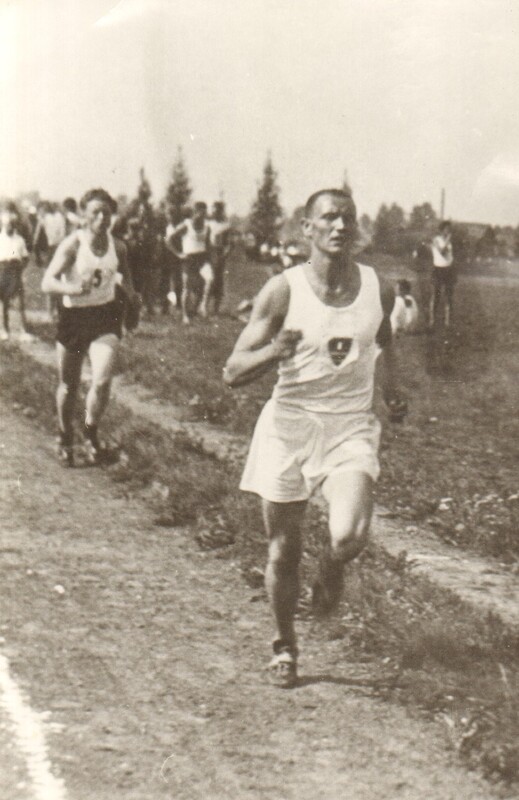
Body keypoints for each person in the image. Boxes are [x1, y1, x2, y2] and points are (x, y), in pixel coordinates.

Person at [224, 188, 407, 688]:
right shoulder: (282, 291)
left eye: (348, 218)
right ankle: (285, 646)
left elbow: (382, 337)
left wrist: (392, 389)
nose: (340, 226)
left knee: (347, 535)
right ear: (306, 229)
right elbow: (233, 370)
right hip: (289, 428)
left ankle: (332, 566)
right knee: (283, 550)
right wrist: (273, 352)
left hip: (349, 427)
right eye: (328, 218)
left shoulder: (377, 287)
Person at [41, 188, 140, 467]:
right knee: (69, 386)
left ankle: (91, 432)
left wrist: (133, 301)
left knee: (102, 379)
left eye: (106, 212)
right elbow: (47, 282)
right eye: (95, 212)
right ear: (84, 216)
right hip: (73, 318)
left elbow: (128, 280)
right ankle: (64, 436)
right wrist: (72, 287)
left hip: (105, 317)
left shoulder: (118, 246)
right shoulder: (73, 244)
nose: (101, 218)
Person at [166, 201, 212, 324]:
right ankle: (186, 316)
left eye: (204, 213)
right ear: (194, 212)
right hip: (189, 258)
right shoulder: (187, 225)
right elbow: (168, 240)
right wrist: (179, 254)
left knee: (209, 280)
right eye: (200, 213)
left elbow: (208, 245)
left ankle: (202, 307)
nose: (202, 216)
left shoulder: (207, 227)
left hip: (202, 258)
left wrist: (209, 258)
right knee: (187, 287)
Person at [0, 203, 33, 342]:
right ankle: (4, 329)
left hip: (15, 271)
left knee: (20, 302)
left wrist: (21, 267)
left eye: (12, 224)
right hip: (1, 270)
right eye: (8, 224)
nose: (10, 227)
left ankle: (23, 330)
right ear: (3, 224)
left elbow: (25, 257)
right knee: (3, 302)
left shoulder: (19, 239)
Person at [430, 221, 455, 329]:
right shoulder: (436, 240)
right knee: (436, 296)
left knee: (449, 296)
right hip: (438, 270)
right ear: (442, 230)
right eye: (446, 229)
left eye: (449, 229)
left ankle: (448, 322)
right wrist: (448, 239)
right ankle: (432, 321)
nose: (448, 231)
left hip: (448, 270)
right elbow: (442, 252)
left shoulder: (449, 242)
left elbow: (449, 255)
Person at [208, 201, 231, 314]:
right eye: (213, 209)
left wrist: (223, 255)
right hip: (207, 252)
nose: (214, 212)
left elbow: (230, 244)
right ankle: (203, 306)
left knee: (217, 280)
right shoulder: (207, 223)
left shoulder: (225, 226)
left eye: (216, 210)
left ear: (221, 211)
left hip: (218, 252)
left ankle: (215, 308)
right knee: (207, 279)